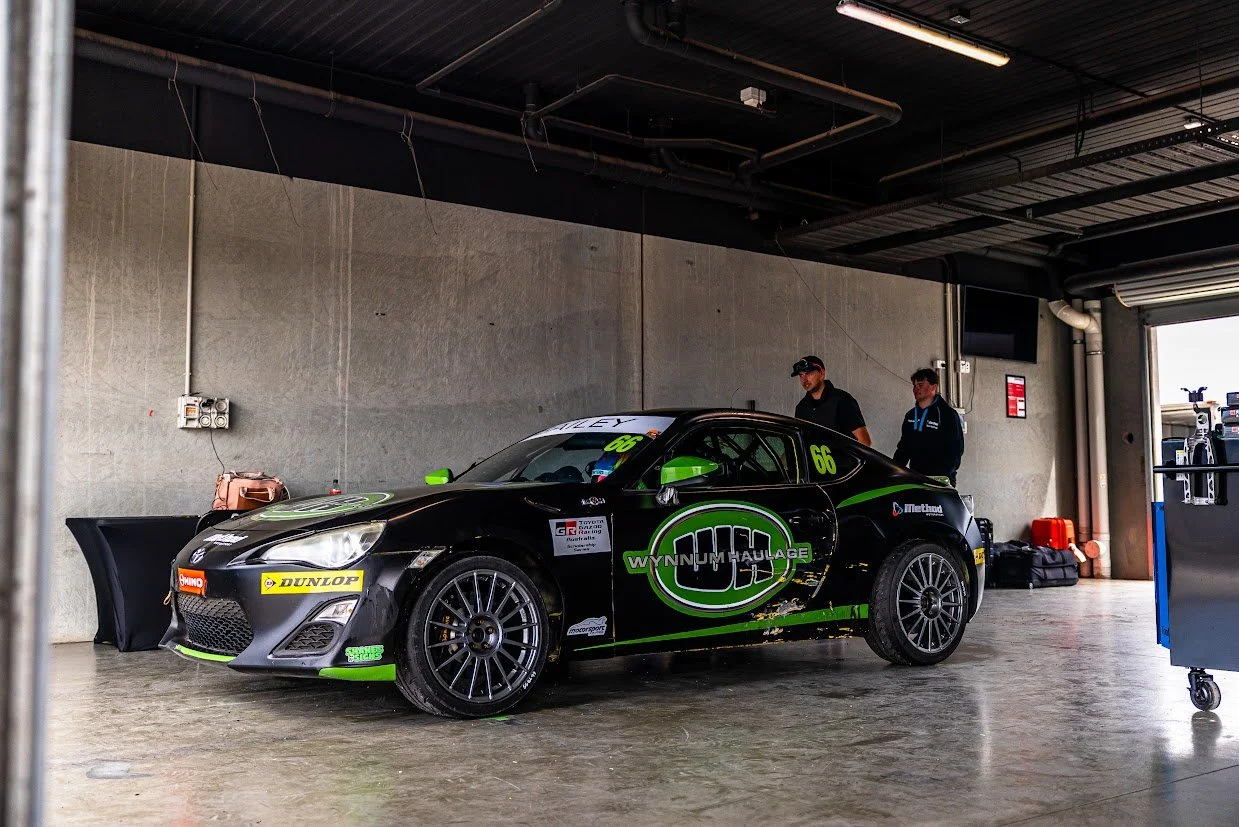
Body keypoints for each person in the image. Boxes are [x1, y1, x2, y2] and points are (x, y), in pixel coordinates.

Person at [892, 367, 964, 485]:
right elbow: (903, 449)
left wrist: (941, 477)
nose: (916, 389)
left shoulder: (947, 414)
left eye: (920, 385)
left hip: (941, 480)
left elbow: (955, 451)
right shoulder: (910, 415)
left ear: (934, 387)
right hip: (915, 478)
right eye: (914, 386)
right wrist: (894, 471)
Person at [791, 355, 872, 445]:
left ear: (822, 373)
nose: (804, 379)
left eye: (809, 373)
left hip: (842, 458)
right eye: (801, 375)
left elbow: (864, 442)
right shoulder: (801, 408)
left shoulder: (843, 400)